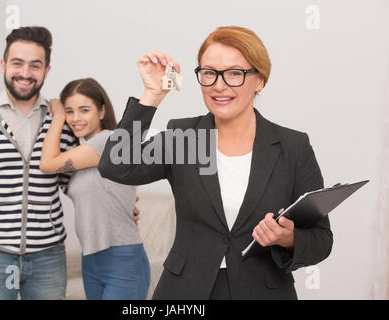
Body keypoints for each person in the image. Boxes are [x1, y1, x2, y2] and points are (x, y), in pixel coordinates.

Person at [98, 26, 334, 300]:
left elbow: (321, 240)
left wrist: (288, 238)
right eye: (209, 73)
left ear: (260, 80)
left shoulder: (293, 146)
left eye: (235, 73)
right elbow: (115, 165)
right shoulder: (184, 138)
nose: (219, 85)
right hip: (186, 292)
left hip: (263, 291)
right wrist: (152, 94)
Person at [0, 26, 140, 300]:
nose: (25, 73)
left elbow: (76, 179)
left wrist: (120, 203)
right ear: (3, 65)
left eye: (35, 65)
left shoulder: (62, 121)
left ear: (46, 70)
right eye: (17, 63)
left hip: (48, 256)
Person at [39, 78, 150, 300]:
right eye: (69, 111)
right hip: (91, 258)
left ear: (101, 112)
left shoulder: (107, 140)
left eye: (84, 110)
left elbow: (47, 164)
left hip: (122, 257)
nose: (75, 118)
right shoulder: (81, 156)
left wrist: (58, 117)